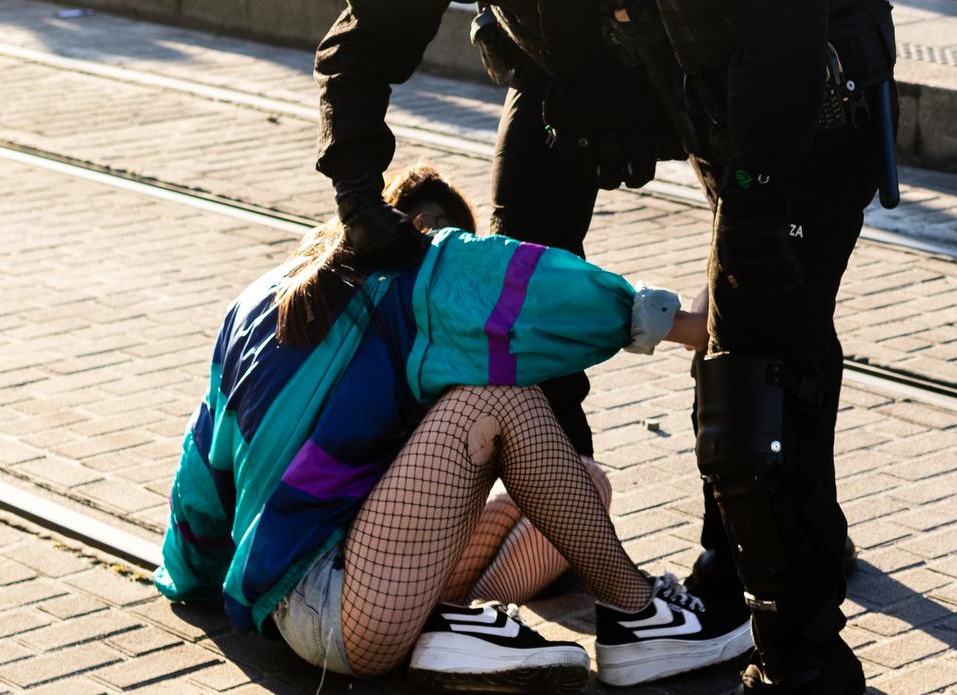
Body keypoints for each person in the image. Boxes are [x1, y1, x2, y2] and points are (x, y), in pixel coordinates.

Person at [456, 0, 900, 692]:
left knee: (750, 406)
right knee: (791, 367)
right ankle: (792, 583)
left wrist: (750, 200)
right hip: (815, 129)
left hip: (793, 145)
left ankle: (794, 653)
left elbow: (774, 37)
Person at [156, 166, 752, 692]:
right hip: (331, 605)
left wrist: (190, 578)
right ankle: (640, 617)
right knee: (496, 398)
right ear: (425, 231)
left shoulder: (260, 301)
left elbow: (202, 468)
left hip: (347, 587)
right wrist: (694, 328)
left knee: (585, 484)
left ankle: (447, 623)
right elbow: (543, 295)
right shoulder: (420, 273)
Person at [313, 0, 681, 470]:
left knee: (759, 291)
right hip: (551, 82)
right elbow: (352, 54)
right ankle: (563, 509)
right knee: (517, 312)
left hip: (677, 77)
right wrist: (358, 200)